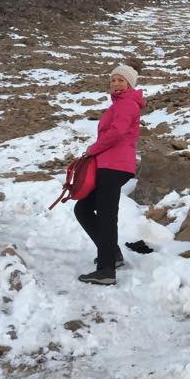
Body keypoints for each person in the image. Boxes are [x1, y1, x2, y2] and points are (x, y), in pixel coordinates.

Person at [75, 64, 145, 286]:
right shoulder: (121, 104)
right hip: (110, 164)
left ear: (130, 83)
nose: (115, 83)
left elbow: (116, 133)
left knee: (106, 215)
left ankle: (106, 270)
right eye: (113, 79)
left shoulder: (127, 104)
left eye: (121, 80)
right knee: (83, 208)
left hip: (115, 165)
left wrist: (93, 149)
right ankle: (111, 254)